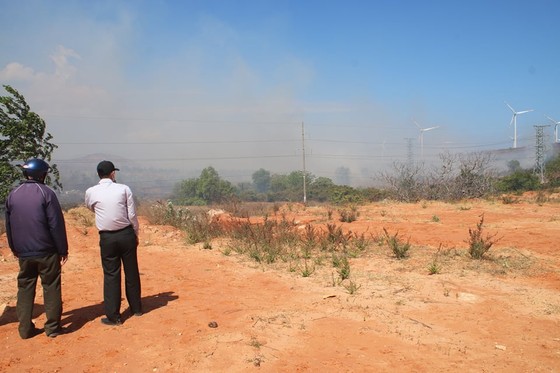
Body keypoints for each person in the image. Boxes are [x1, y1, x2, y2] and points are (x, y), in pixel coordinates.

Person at [5, 158, 69, 339]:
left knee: (24, 288)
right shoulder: (46, 193)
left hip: (24, 252)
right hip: (46, 251)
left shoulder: (13, 194)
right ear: (42, 174)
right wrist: (62, 249)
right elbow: (56, 225)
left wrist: (14, 248)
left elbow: (9, 226)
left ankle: (25, 329)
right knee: (51, 286)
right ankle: (52, 327)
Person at [85, 160, 142, 326]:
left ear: (98, 174)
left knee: (111, 275)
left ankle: (114, 316)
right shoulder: (124, 189)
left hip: (107, 237)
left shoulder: (91, 192)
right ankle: (136, 308)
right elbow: (132, 214)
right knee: (131, 271)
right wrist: (135, 233)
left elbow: (91, 207)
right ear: (113, 173)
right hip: (126, 234)